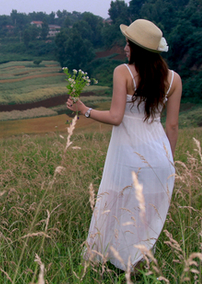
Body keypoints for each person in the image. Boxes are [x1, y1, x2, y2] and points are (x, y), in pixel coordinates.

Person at [66, 19, 181, 271]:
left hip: (129, 157)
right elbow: (172, 126)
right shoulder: (173, 79)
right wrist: (169, 164)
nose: (125, 48)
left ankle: (106, 264)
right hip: (161, 161)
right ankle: (136, 268)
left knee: (115, 209)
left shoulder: (123, 72)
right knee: (144, 218)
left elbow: (116, 117)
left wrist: (84, 110)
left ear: (137, 48)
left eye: (128, 43)